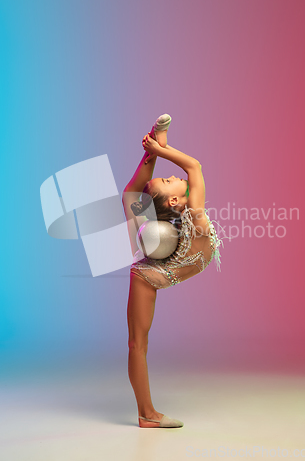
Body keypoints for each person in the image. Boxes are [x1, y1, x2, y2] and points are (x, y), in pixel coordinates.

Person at [121, 114, 224, 428]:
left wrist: (154, 148)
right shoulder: (192, 212)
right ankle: (146, 414)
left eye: (167, 178)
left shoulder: (189, 218)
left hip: (160, 265)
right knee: (137, 344)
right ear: (177, 200)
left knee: (129, 199)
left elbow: (134, 191)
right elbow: (194, 167)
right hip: (152, 270)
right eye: (168, 180)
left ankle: (145, 413)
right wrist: (158, 147)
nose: (173, 176)